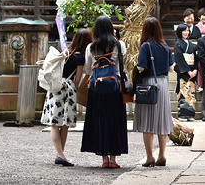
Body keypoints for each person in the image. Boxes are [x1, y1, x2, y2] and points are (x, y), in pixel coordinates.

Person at [81, 16, 128, 168]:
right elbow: (122, 67)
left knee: (100, 121)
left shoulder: (90, 47)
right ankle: (113, 160)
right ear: (110, 28)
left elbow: (88, 69)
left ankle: (104, 160)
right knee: (114, 121)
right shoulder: (120, 45)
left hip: (96, 89)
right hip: (115, 89)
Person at [42, 28, 91, 166]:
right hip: (68, 90)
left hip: (55, 87)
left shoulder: (66, 52)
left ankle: (60, 155)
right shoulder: (80, 57)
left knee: (55, 123)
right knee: (63, 125)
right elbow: (77, 80)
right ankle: (61, 154)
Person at [134, 16, 175, 167]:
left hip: (149, 85)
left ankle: (150, 156)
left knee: (147, 122)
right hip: (163, 84)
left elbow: (141, 68)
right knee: (162, 121)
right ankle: (162, 154)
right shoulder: (165, 46)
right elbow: (171, 68)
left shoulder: (145, 46)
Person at [174, 24, 197, 121]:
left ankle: (190, 114)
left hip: (192, 70)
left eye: (187, 31)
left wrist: (195, 69)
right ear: (179, 32)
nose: (186, 33)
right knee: (183, 92)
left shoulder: (190, 44)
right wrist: (188, 71)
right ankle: (183, 114)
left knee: (191, 93)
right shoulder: (178, 44)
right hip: (183, 72)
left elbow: (195, 58)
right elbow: (179, 58)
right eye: (184, 31)